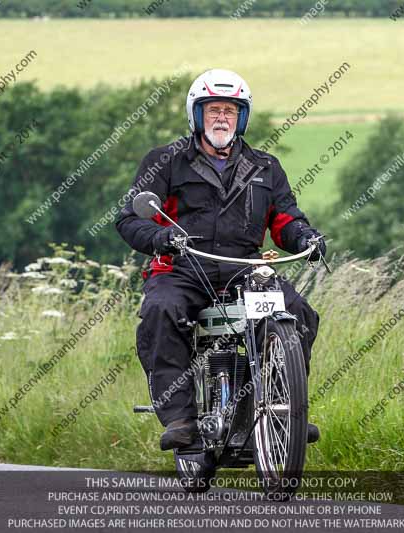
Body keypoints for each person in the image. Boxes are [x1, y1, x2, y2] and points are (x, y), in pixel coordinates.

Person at [115, 69, 326, 450]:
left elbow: (285, 219)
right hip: (183, 265)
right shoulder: (165, 161)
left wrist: (306, 236)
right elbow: (130, 218)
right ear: (197, 115)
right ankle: (180, 418)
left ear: (241, 117)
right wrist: (162, 236)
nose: (222, 118)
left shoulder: (266, 167)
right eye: (213, 110)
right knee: (161, 310)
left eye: (230, 110)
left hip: (244, 269)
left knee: (297, 311)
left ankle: (285, 410)